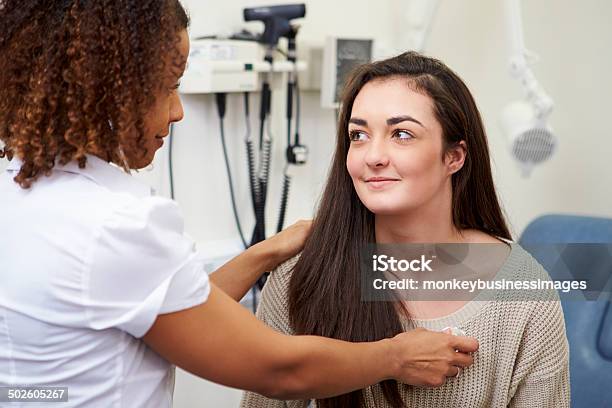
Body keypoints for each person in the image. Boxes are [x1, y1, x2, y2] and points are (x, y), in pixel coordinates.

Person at [0, 2, 480, 407]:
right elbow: (280, 371)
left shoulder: (21, 188)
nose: (178, 110)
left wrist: (265, 252)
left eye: (401, 134)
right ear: (108, 85)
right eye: (167, 84)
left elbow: (165, 304)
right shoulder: (115, 226)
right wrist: (395, 357)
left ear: (455, 155)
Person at [241, 52, 570, 408]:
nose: (373, 156)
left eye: (401, 134)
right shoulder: (301, 276)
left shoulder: (525, 293)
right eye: (359, 134)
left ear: (453, 157)